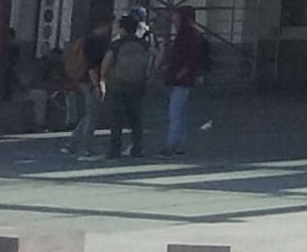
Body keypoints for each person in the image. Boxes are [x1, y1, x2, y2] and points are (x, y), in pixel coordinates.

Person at [103, 12, 155, 159]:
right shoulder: (142, 43)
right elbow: (157, 54)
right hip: (138, 84)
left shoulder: (117, 44)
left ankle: (115, 151)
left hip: (118, 85)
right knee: (136, 118)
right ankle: (137, 148)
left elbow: (106, 62)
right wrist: (151, 72)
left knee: (117, 120)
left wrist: (104, 78)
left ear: (122, 28)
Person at [61, 14, 112, 158]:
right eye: (108, 25)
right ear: (100, 25)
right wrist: (97, 85)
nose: (109, 29)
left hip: (84, 80)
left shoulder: (87, 40)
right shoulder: (94, 42)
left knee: (90, 114)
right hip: (90, 81)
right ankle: (85, 149)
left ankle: (72, 144)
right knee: (93, 116)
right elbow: (93, 66)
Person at [161, 9, 210, 156]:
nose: (175, 24)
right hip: (179, 78)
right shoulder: (189, 35)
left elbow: (193, 59)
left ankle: (171, 145)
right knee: (180, 113)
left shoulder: (189, 37)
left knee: (175, 113)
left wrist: (181, 72)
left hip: (181, 79)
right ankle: (180, 144)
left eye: (177, 21)